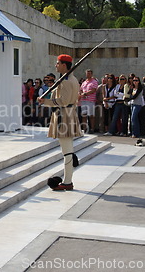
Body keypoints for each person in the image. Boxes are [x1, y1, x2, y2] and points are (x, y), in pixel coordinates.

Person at [38, 54, 83, 191]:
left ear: (64, 64)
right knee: (67, 149)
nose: (56, 65)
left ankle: (68, 181)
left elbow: (63, 101)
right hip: (67, 113)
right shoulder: (71, 79)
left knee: (67, 151)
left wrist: (45, 102)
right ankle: (67, 180)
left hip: (64, 115)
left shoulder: (66, 81)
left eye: (57, 63)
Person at [79, 69, 98, 133]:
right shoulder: (84, 82)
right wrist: (82, 93)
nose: (88, 74)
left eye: (89, 73)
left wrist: (86, 93)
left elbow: (94, 90)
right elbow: (81, 89)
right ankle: (84, 129)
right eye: (87, 73)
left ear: (91, 74)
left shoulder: (94, 82)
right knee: (84, 115)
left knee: (91, 115)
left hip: (90, 100)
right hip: (83, 100)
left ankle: (92, 128)